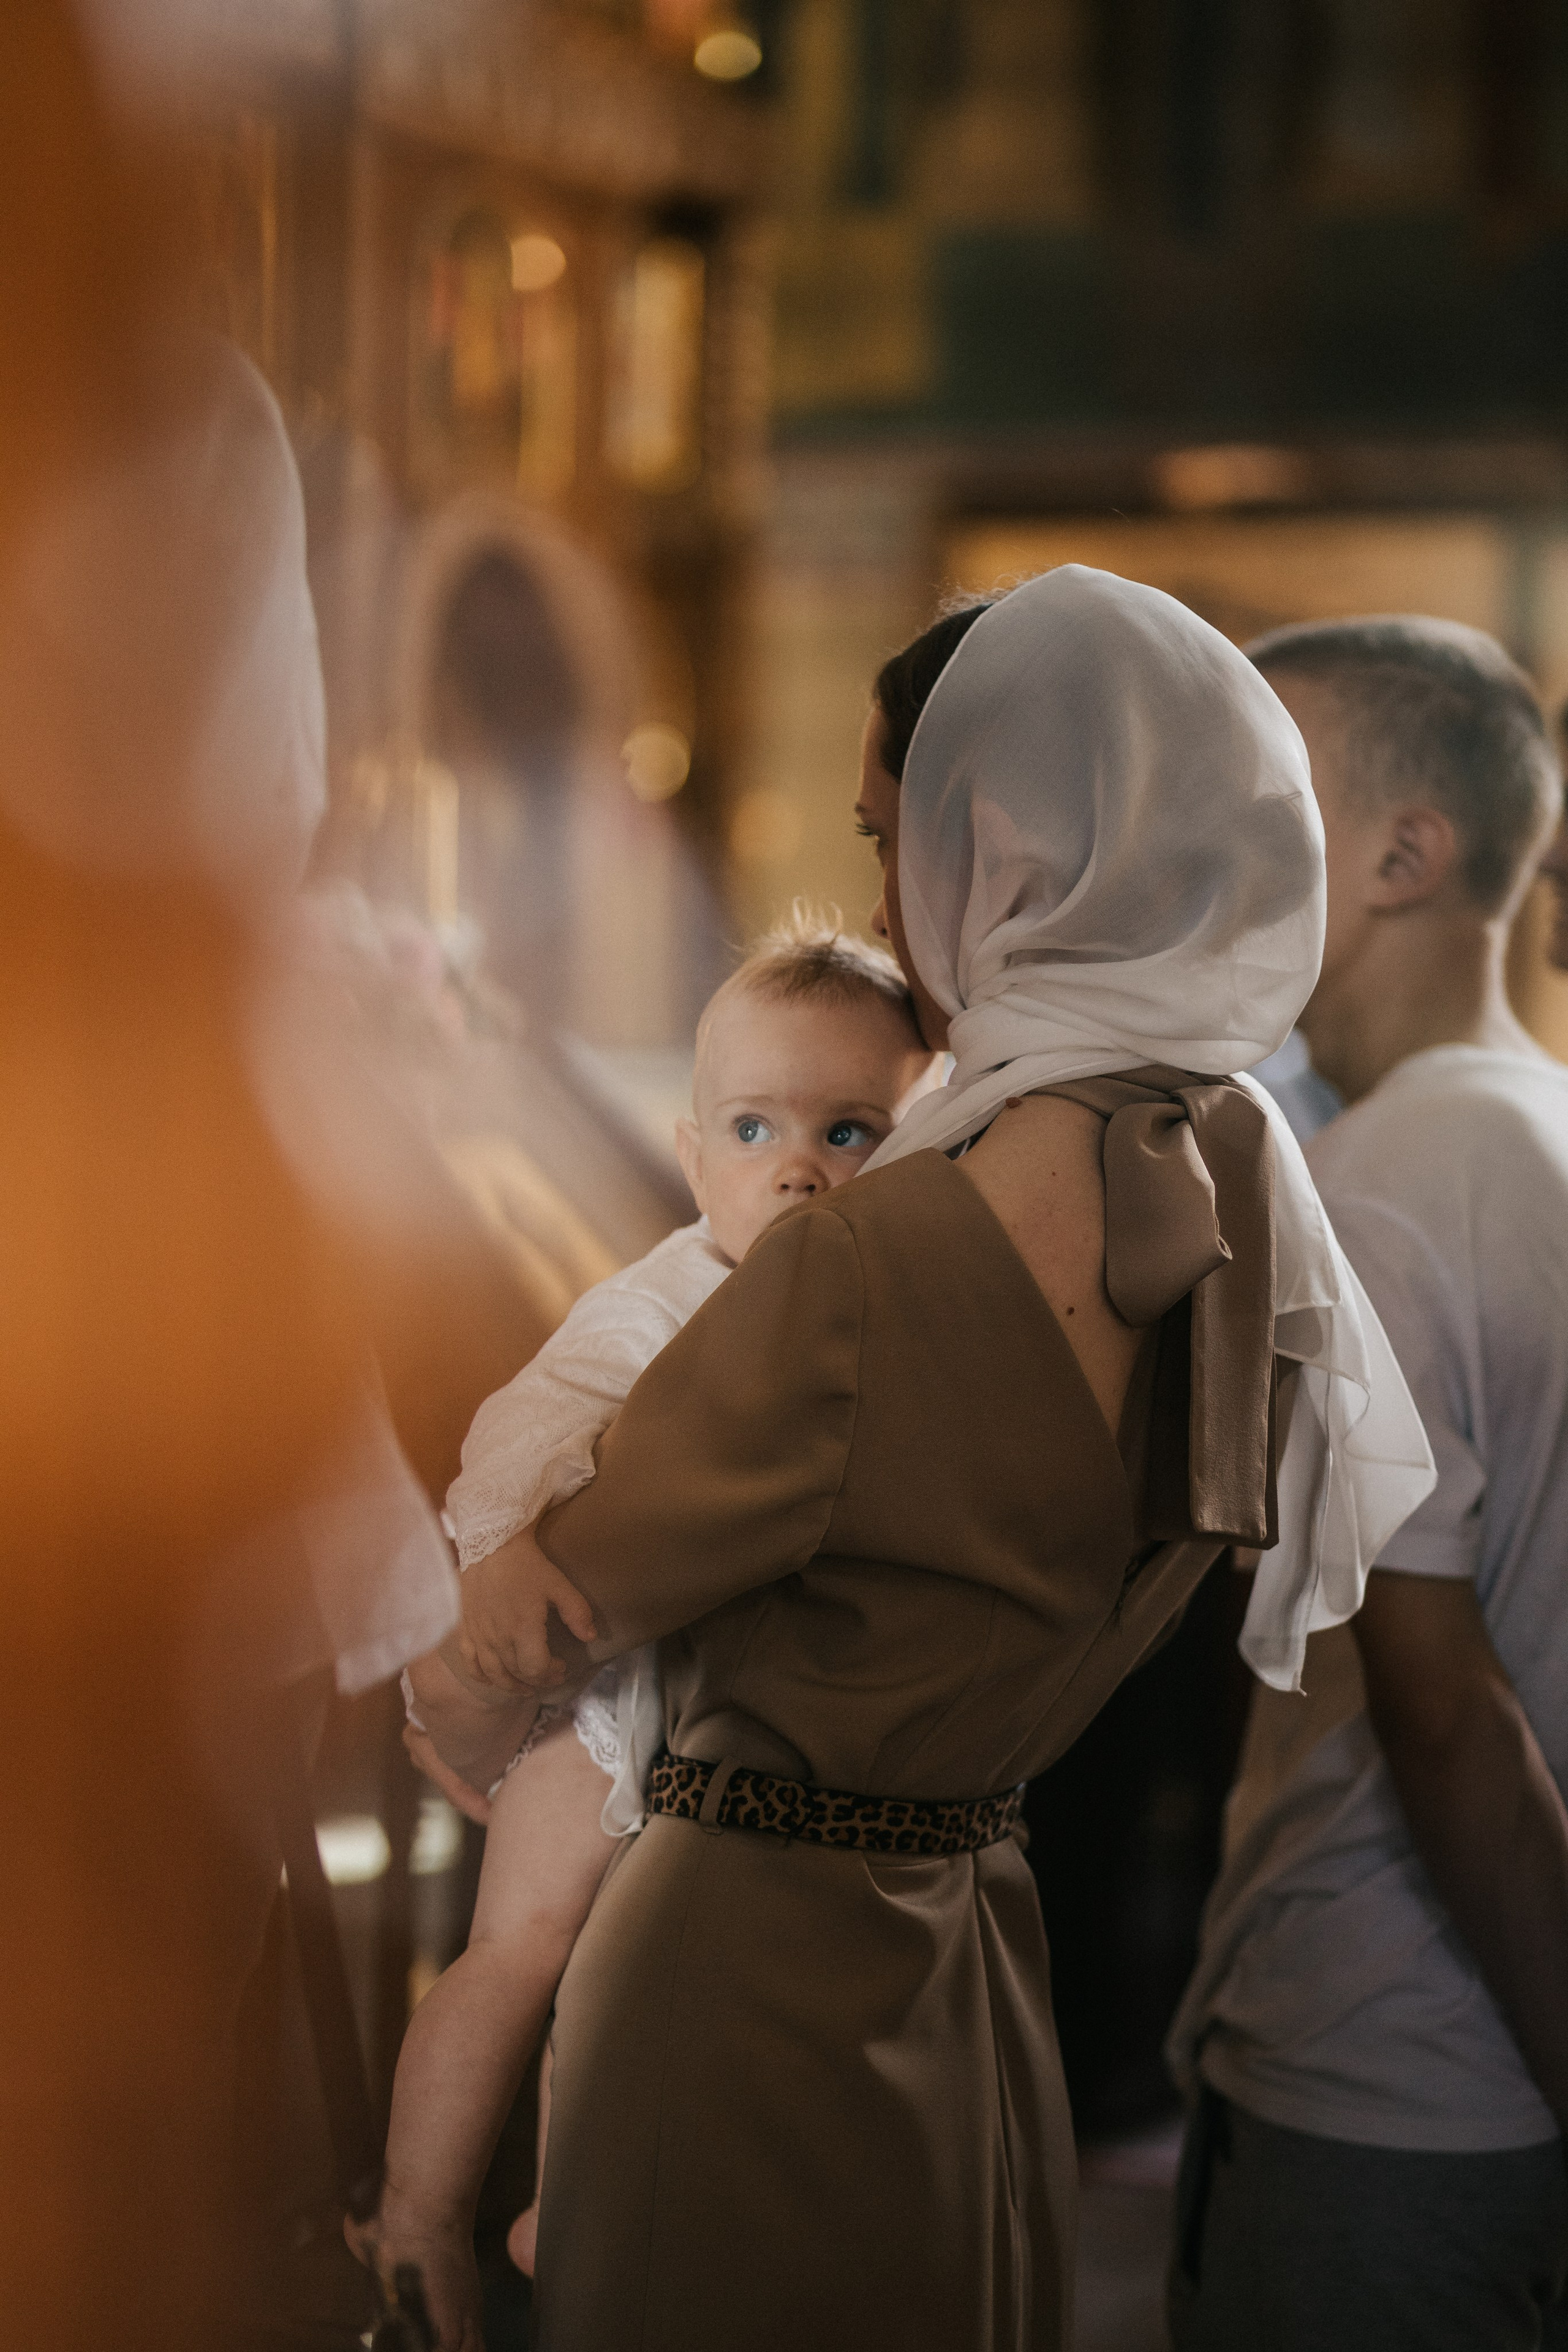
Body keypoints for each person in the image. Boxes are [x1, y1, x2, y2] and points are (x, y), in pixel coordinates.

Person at [437, 566, 1433, 2352]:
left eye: (894, 840)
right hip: (968, 1933)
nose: (892, 909)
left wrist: (457, 1659)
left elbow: (565, 1596)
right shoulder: (1241, 1190)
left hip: (743, 1967)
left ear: (1008, 846)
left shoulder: (868, 1258)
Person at [358, 912, 940, 2350]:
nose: (797, 1168)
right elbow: (524, 1428)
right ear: (691, 1161)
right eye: (753, 1130)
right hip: (602, 1699)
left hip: (724, 1731)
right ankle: (419, 2209)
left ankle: (561, 2205)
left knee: (626, 1992)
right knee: (525, 1944)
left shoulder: (892, 1313)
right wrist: (508, 1547)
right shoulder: (661, 1301)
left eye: (849, 1133)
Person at [1168, 616, 1568, 2351]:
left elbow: (1446, 1711)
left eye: (1266, 800)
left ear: (1407, 854)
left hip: (1387, 2079)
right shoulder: (1541, 1123)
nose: (1211, 853)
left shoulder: (1375, 1178)